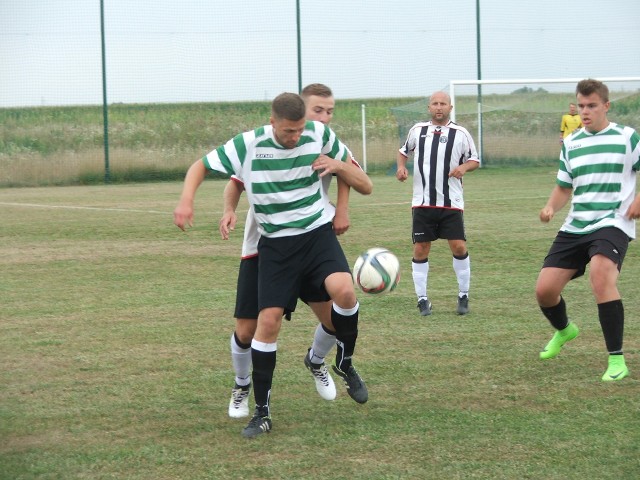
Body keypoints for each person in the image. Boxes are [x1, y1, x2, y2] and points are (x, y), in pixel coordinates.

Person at [174, 92, 370, 438]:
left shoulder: (319, 134)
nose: (294, 138)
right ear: (272, 123)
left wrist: (339, 167)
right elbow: (200, 166)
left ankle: (343, 362)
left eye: (298, 131)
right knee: (267, 322)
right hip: (275, 244)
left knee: (345, 291)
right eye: (287, 132)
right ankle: (261, 411)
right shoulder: (249, 144)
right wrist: (187, 201)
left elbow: (363, 183)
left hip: (316, 234)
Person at [536, 78, 640, 382]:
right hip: (576, 224)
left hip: (613, 221)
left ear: (605, 106)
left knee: (601, 273)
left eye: (592, 105)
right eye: (581, 106)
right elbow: (563, 187)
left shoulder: (627, 137)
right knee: (545, 291)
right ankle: (565, 330)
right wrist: (551, 207)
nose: (585, 111)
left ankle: (617, 360)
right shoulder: (571, 143)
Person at [396, 91, 480, 316]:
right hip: (422, 203)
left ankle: (463, 295)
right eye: (435, 103)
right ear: (429, 107)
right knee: (421, 248)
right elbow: (403, 151)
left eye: (443, 103)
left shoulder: (461, 133)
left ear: (450, 107)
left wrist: (463, 167)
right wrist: (401, 167)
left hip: (451, 202)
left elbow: (475, 159)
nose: (439, 107)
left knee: (459, 246)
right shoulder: (417, 130)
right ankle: (422, 299)